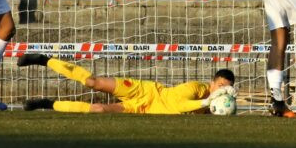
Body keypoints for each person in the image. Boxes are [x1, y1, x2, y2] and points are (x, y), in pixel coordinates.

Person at [17, 54, 236, 114]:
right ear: (212, 83)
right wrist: (206, 102)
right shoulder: (197, 89)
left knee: (100, 109)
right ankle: (43, 60)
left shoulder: (212, 106)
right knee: (93, 82)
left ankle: (46, 104)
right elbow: (178, 105)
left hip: (145, 108)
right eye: (220, 86)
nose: (221, 91)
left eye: (225, 88)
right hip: (146, 90)